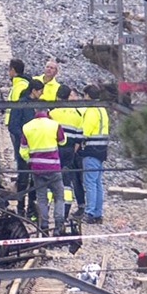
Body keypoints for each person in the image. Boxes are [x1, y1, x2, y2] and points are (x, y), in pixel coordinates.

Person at [20, 111, 67, 234]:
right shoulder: (55, 124)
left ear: (35, 111)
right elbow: (63, 141)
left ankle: (44, 226)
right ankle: (58, 226)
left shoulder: (27, 127)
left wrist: (31, 161)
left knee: (41, 198)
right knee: (59, 196)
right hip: (53, 168)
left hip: (37, 169)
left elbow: (23, 151)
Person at [8, 79, 44, 218]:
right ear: (33, 91)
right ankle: (21, 207)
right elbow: (13, 125)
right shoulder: (21, 104)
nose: (41, 94)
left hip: (37, 146)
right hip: (24, 147)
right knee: (23, 177)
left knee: (35, 178)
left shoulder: (37, 105)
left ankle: (31, 208)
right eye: (40, 91)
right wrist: (24, 137)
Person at [49, 84, 84, 217]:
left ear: (58, 96)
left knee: (51, 178)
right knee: (66, 180)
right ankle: (66, 208)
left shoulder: (52, 113)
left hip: (55, 149)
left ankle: (49, 207)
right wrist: (73, 151)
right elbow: (79, 139)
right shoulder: (77, 114)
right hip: (69, 150)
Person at [79, 84, 110, 224]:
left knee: (90, 182)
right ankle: (98, 213)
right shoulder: (102, 109)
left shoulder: (91, 111)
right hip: (102, 150)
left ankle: (90, 212)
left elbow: (85, 132)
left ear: (88, 96)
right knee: (97, 182)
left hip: (91, 149)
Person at [3, 58, 31, 127]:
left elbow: (19, 106)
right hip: (14, 123)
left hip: (16, 123)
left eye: (9, 69)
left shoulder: (20, 85)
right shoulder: (18, 83)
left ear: (12, 70)